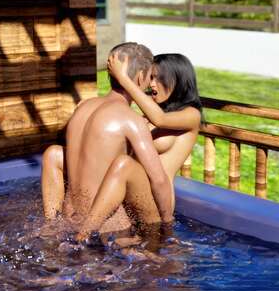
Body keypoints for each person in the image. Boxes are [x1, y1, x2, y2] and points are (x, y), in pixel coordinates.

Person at [41, 43, 174, 235]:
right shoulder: (130, 120)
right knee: (128, 166)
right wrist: (167, 226)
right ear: (140, 77)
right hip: (109, 228)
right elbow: (159, 180)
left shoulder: (82, 107)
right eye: (150, 76)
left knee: (54, 152)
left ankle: (50, 226)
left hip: (70, 219)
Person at [75, 52, 202, 239]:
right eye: (151, 78)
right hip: (133, 192)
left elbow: (159, 119)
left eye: (158, 78)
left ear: (177, 80)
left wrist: (123, 78)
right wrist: (94, 105)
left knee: (124, 164)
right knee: (56, 154)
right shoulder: (154, 109)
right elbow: (123, 112)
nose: (152, 84)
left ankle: (82, 236)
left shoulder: (191, 115)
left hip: (157, 198)